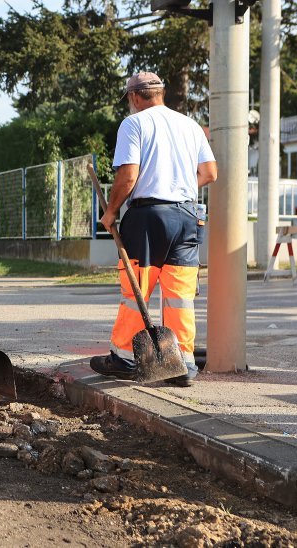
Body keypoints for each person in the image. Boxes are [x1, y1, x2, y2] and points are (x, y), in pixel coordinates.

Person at [90, 72, 217, 387]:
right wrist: (179, 187)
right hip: (187, 216)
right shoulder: (190, 125)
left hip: (148, 217)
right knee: (179, 295)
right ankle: (183, 363)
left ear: (134, 97)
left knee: (137, 289)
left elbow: (128, 176)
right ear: (161, 93)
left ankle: (123, 357)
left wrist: (110, 212)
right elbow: (210, 173)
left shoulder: (134, 124)